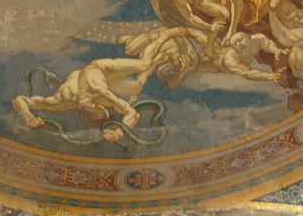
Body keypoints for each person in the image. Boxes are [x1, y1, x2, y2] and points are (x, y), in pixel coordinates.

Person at [12, 27, 190, 136]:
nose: (107, 107)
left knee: (143, 64)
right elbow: (20, 100)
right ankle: (159, 58)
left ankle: (166, 35)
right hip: (96, 80)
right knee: (136, 87)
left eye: (105, 109)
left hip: (100, 69)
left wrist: (118, 133)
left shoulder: (101, 96)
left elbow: (133, 114)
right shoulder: (61, 101)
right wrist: (28, 117)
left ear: (98, 106)